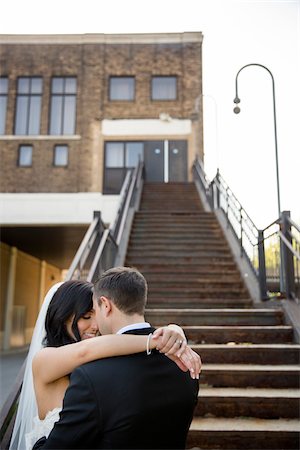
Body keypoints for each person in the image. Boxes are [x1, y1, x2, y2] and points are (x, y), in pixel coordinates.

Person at [10, 278, 200, 450]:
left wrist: (175, 331)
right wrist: (157, 341)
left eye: (95, 314)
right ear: (62, 316)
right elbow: (87, 351)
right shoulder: (45, 358)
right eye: (86, 317)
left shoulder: (101, 359)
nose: (95, 325)